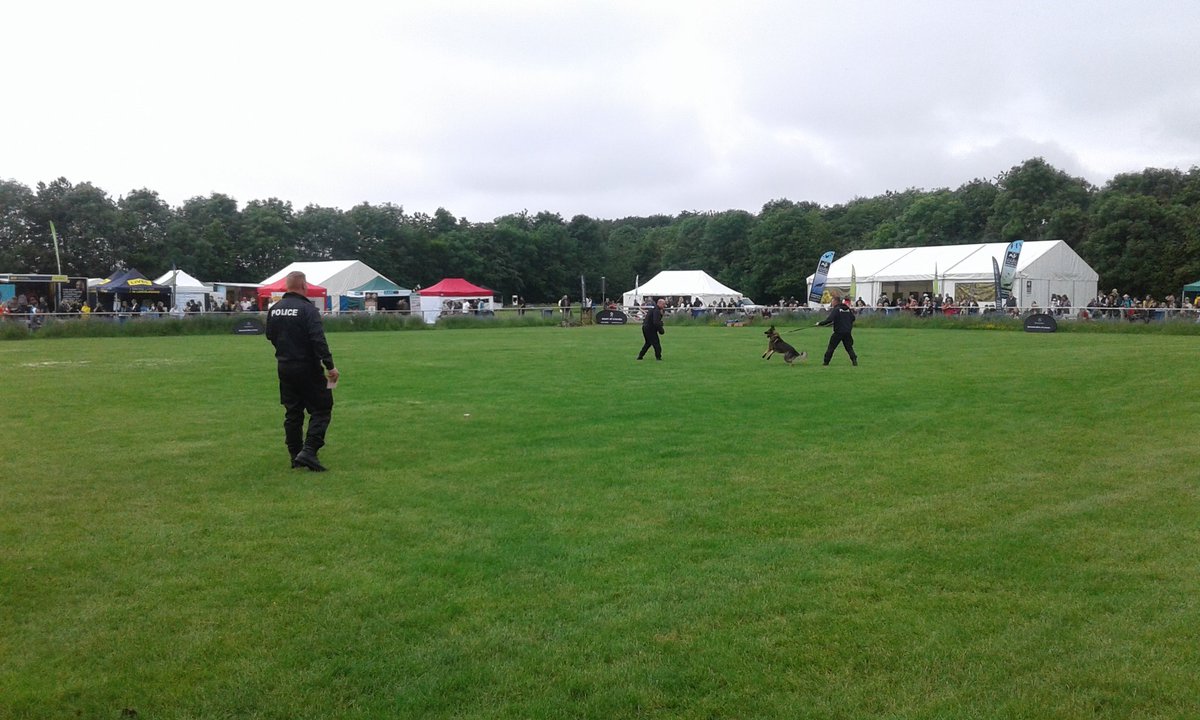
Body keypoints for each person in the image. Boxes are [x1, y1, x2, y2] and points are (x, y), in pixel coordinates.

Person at [265, 271, 340, 472]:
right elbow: (318, 339)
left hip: (284, 366)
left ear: (287, 286)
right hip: (307, 366)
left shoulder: (275, 309)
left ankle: (295, 454)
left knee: (293, 411)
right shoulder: (308, 309)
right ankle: (309, 451)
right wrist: (330, 365)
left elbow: (270, 335)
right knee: (322, 407)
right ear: (304, 286)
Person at [817, 296, 858, 366]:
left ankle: (826, 362)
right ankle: (854, 361)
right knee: (849, 347)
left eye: (832, 301)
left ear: (836, 301)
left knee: (831, 347)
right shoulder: (847, 309)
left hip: (838, 332)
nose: (832, 303)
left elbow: (829, 319)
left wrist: (820, 323)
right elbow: (853, 318)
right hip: (847, 332)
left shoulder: (836, 309)